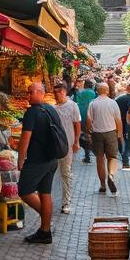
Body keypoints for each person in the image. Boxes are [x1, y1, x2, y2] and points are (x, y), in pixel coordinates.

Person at [17, 83, 62, 244]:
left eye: (30, 93)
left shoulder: (32, 112)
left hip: (37, 160)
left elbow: (25, 138)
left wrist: (20, 159)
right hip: (52, 159)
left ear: (41, 93)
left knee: (24, 190)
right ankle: (45, 231)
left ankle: (46, 222)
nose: (27, 96)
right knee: (45, 194)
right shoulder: (50, 109)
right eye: (27, 92)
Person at [87, 83, 123, 195]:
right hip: (111, 133)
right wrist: (120, 134)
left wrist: (89, 132)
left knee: (99, 159)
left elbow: (89, 120)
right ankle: (111, 176)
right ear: (107, 91)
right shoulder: (113, 103)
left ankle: (102, 185)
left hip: (97, 133)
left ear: (97, 91)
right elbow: (118, 120)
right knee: (112, 157)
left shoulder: (93, 103)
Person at [52, 82, 81, 214]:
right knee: (53, 174)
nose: (56, 95)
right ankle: (50, 201)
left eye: (59, 92)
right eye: (55, 92)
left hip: (67, 145)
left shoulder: (72, 106)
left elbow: (77, 125)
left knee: (65, 173)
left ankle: (66, 202)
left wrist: (76, 142)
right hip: (54, 146)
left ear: (64, 92)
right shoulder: (53, 108)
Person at [115, 83, 130, 169]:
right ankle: (125, 161)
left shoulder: (119, 99)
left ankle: (123, 156)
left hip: (119, 122)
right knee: (128, 141)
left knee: (122, 140)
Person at [74, 78, 96, 164]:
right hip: (91, 114)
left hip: (81, 114)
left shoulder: (81, 92)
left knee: (82, 134)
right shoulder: (93, 93)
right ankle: (91, 152)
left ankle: (87, 154)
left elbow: (75, 101)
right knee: (89, 134)